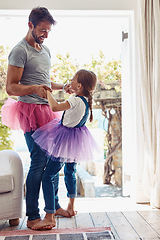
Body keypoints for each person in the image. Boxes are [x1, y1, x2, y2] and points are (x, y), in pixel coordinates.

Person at [1, 7, 72, 229]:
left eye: (48, 31)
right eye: (42, 30)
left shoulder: (45, 50)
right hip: (29, 112)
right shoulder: (19, 51)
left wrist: (64, 86)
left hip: (47, 110)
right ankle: (32, 217)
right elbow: (10, 88)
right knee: (39, 161)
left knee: (54, 161)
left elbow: (45, 81)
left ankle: (54, 206)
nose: (45, 35)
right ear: (30, 24)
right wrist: (34, 89)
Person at [31, 69, 99, 230]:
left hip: (65, 141)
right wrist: (69, 88)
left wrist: (48, 92)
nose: (71, 80)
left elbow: (54, 107)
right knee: (70, 172)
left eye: (73, 79)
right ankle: (70, 207)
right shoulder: (84, 100)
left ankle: (49, 216)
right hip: (76, 140)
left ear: (80, 85)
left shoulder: (75, 99)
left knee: (48, 176)